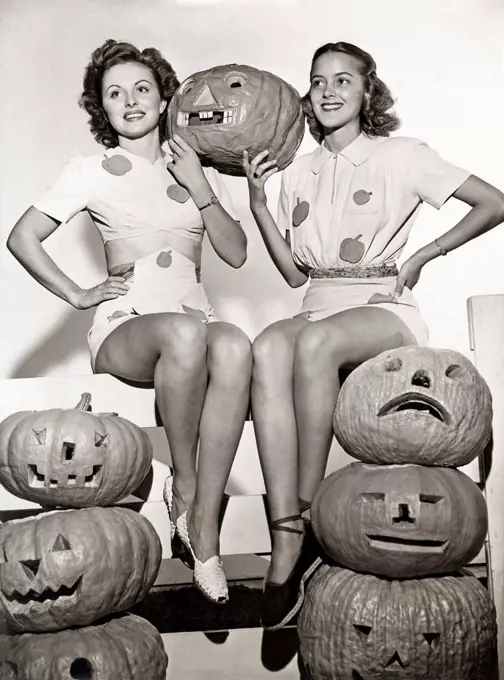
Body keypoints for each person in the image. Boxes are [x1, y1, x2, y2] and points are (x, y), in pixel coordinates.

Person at [242, 41, 504, 629]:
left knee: (313, 344)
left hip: (384, 303)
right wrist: (259, 204)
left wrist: (425, 255)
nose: (329, 91)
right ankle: (285, 531)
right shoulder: (297, 173)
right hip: (317, 304)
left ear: (368, 92)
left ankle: (307, 524)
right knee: (266, 346)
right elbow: (293, 274)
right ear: (308, 95)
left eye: (344, 80)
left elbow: (494, 202)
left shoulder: (402, 155)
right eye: (318, 81)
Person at [7, 39, 253, 604]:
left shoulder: (196, 165)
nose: (130, 100)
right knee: (184, 333)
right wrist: (78, 293)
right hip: (128, 322)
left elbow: (236, 253)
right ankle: (185, 490)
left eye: (143, 88)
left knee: (236, 344)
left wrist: (200, 186)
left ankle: (203, 535)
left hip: (195, 316)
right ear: (102, 108)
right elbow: (22, 236)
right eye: (114, 93)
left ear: (166, 97)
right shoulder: (88, 170)